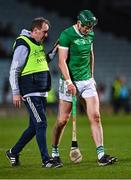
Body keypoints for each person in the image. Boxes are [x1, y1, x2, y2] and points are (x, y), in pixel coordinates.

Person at [51, 10, 118, 166]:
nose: (89, 29)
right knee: (62, 120)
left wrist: (92, 76)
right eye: (86, 27)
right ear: (79, 23)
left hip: (86, 81)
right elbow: (61, 61)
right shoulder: (66, 35)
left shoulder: (90, 34)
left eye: (91, 27)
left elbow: (90, 54)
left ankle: (101, 155)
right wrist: (69, 82)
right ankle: (54, 152)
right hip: (69, 81)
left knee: (95, 116)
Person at [6, 17, 61, 168]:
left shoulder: (37, 43)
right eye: (44, 32)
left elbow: (42, 62)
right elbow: (14, 69)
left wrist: (54, 50)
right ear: (35, 30)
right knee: (41, 123)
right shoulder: (23, 44)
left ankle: (13, 152)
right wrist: (16, 92)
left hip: (40, 91)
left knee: (33, 127)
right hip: (30, 91)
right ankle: (46, 160)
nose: (46, 35)